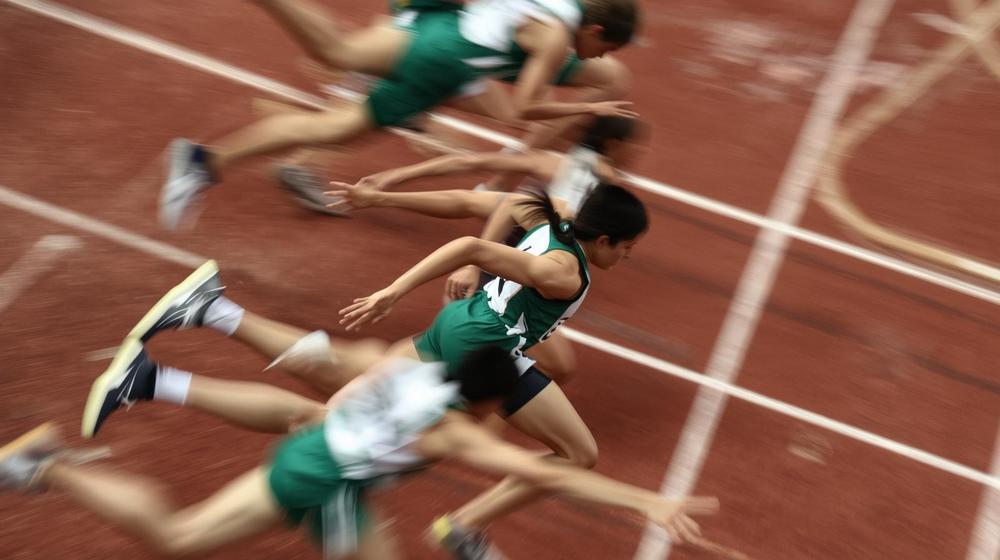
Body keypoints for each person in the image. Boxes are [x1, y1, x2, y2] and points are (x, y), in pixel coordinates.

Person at [1, 316, 718, 560]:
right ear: (490, 398)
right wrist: (643, 499)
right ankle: (51, 465)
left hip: (327, 471)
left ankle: (82, 439)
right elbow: (555, 473)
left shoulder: (414, 374)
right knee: (177, 538)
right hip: (315, 480)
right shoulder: (448, 435)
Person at [159, 0, 640, 230]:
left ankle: (201, 163)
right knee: (336, 112)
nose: (598, 57)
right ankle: (202, 164)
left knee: (337, 63)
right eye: (606, 47)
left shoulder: (562, 7)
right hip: (444, 60)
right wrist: (589, 108)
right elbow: (524, 107)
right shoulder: (558, 40)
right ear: (595, 29)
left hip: (445, 34)